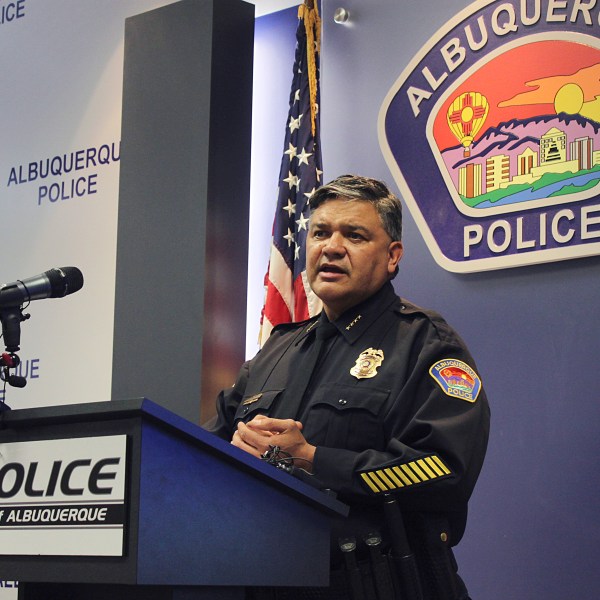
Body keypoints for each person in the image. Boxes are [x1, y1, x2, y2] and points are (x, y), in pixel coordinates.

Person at [205, 174, 490, 600]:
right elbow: (203, 447)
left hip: (381, 584)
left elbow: (443, 469)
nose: (332, 247)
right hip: (263, 577)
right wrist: (234, 448)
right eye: (320, 232)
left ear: (393, 256)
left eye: (354, 235)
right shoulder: (277, 349)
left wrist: (313, 460)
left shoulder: (424, 343)